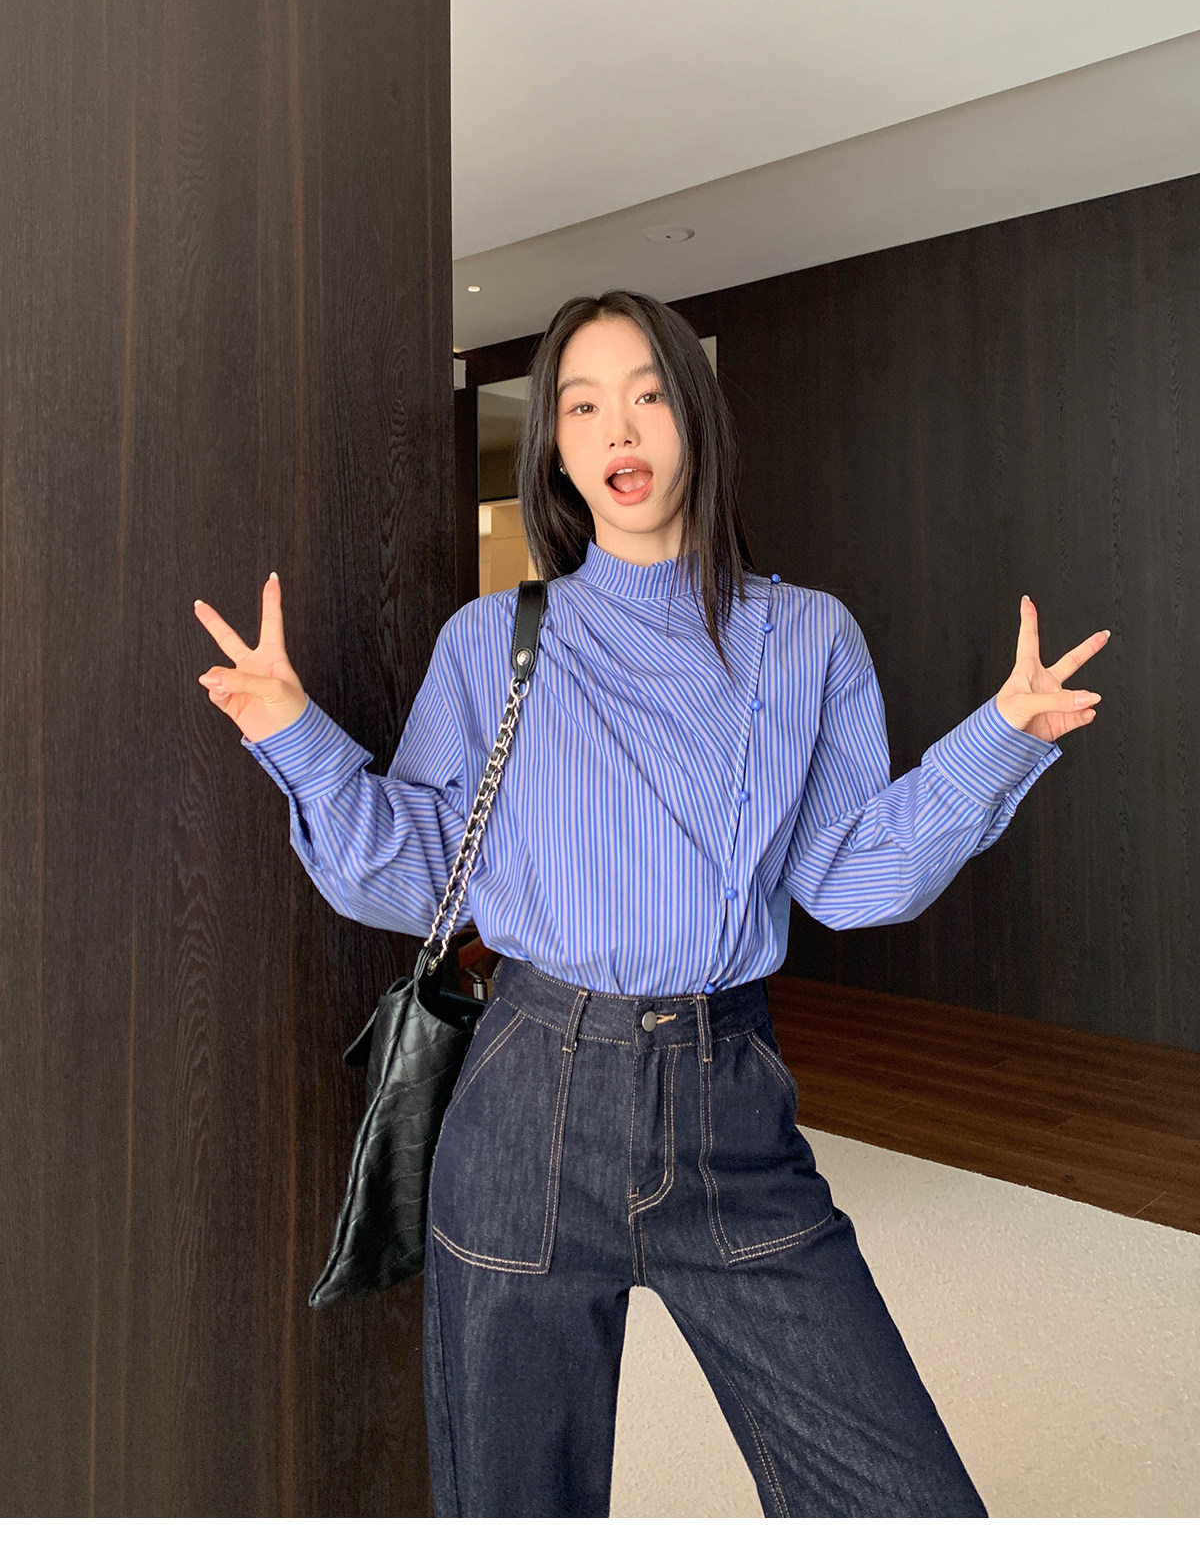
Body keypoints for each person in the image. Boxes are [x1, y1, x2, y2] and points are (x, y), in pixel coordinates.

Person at [193, 289, 1107, 1518]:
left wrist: (998, 741)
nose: (617, 428)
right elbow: (415, 877)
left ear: (696, 418)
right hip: (526, 1106)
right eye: (581, 407)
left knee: (904, 1500)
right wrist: (291, 734)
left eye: (648, 394)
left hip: (731, 1105)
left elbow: (850, 878)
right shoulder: (495, 640)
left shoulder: (810, 637)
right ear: (557, 454)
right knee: (514, 1508)